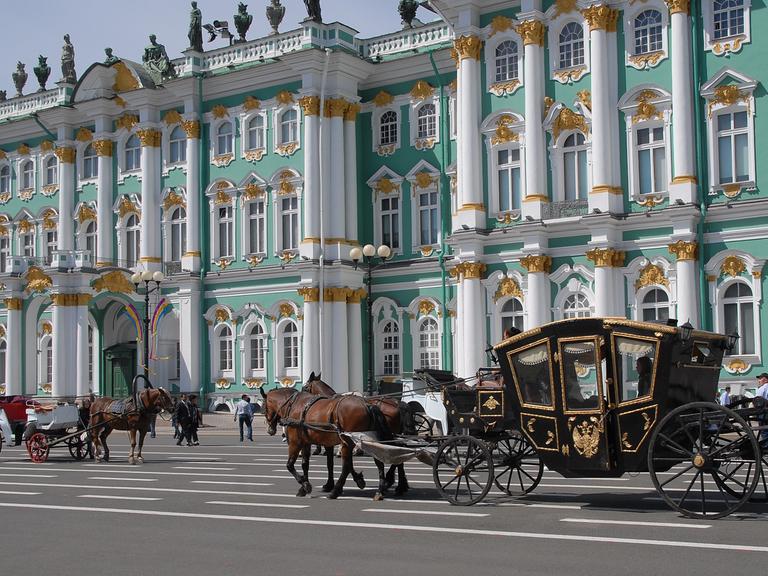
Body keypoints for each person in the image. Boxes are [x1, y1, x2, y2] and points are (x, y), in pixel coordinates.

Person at [755, 373, 768, 446]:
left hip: (764, 412)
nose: (759, 380)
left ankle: (766, 447)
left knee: (764, 431)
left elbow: (757, 400)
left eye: (760, 378)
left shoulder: (763, 388)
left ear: (765, 379)